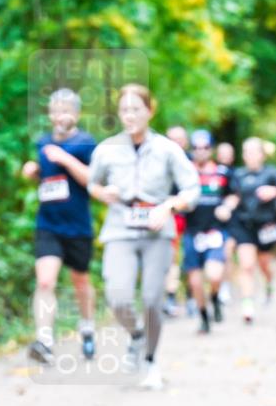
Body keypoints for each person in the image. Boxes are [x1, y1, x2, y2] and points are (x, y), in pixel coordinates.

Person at [88, 84, 199, 390]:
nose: (130, 115)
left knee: (152, 299)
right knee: (118, 295)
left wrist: (170, 205)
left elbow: (192, 188)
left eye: (136, 109)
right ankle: (136, 336)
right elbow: (91, 184)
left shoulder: (168, 150)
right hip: (120, 228)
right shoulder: (106, 149)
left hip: (157, 232)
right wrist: (102, 192)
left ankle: (150, 359)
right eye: (124, 110)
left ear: (150, 110)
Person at [22, 89, 97, 364]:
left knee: (81, 281)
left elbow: (93, 180)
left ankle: (87, 326)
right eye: (55, 110)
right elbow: (49, 180)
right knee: (45, 281)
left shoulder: (87, 143)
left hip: (78, 226)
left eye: (65, 110)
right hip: (48, 224)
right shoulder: (42, 143)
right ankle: (45, 341)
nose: (59, 115)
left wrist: (65, 159)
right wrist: (34, 170)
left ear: (76, 114)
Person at [220, 138, 276, 324]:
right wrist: (226, 207)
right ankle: (247, 305)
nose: (249, 155)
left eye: (253, 151)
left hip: (266, 227)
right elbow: (234, 196)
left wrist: (275, 192)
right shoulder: (238, 175)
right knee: (246, 265)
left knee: (264, 264)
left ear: (261, 154)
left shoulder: (271, 173)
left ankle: (269, 282)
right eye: (246, 151)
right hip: (244, 225)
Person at [182, 130, 231, 334]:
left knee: (214, 274)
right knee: (195, 281)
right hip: (192, 233)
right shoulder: (184, 173)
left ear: (211, 149)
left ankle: (215, 298)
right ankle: (203, 316)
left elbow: (233, 195)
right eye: (196, 148)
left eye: (205, 147)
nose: (200, 152)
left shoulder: (222, 173)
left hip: (215, 232)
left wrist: (227, 206)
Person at [163, 125, 190, 318]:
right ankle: (170, 297)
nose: (176, 143)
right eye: (172, 139)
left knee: (189, 256)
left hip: (192, 218)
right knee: (172, 257)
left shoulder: (193, 162)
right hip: (169, 216)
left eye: (180, 139)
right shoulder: (160, 162)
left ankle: (190, 296)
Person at [215, 142, 237, 304]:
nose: (224, 156)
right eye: (222, 153)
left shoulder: (236, 174)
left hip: (231, 221)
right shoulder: (210, 171)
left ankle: (225, 287)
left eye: (227, 153)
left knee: (227, 253)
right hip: (212, 221)